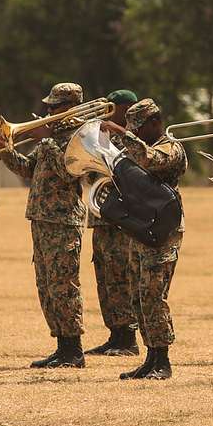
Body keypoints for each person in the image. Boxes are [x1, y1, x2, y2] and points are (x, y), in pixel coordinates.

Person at [0, 82, 89, 369]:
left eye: (55, 107)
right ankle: (61, 345)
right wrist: (3, 150)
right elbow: (28, 169)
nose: (48, 111)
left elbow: (68, 174)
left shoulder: (81, 136)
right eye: (48, 106)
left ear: (70, 107)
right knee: (47, 285)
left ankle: (74, 350)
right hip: (41, 218)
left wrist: (47, 140)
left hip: (63, 220)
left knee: (64, 285)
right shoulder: (53, 137)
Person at [102, 98, 188, 380]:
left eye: (138, 127)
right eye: (131, 128)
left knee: (153, 295)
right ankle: (151, 356)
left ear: (155, 123)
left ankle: (163, 360)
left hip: (164, 228)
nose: (134, 132)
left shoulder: (171, 147)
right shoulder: (137, 145)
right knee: (138, 297)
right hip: (142, 226)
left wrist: (121, 133)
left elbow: (151, 161)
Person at [84, 89, 141, 358]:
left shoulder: (136, 137)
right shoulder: (101, 135)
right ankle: (115, 334)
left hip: (123, 220)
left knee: (122, 277)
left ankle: (128, 337)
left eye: (113, 107)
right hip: (102, 217)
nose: (106, 112)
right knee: (105, 278)